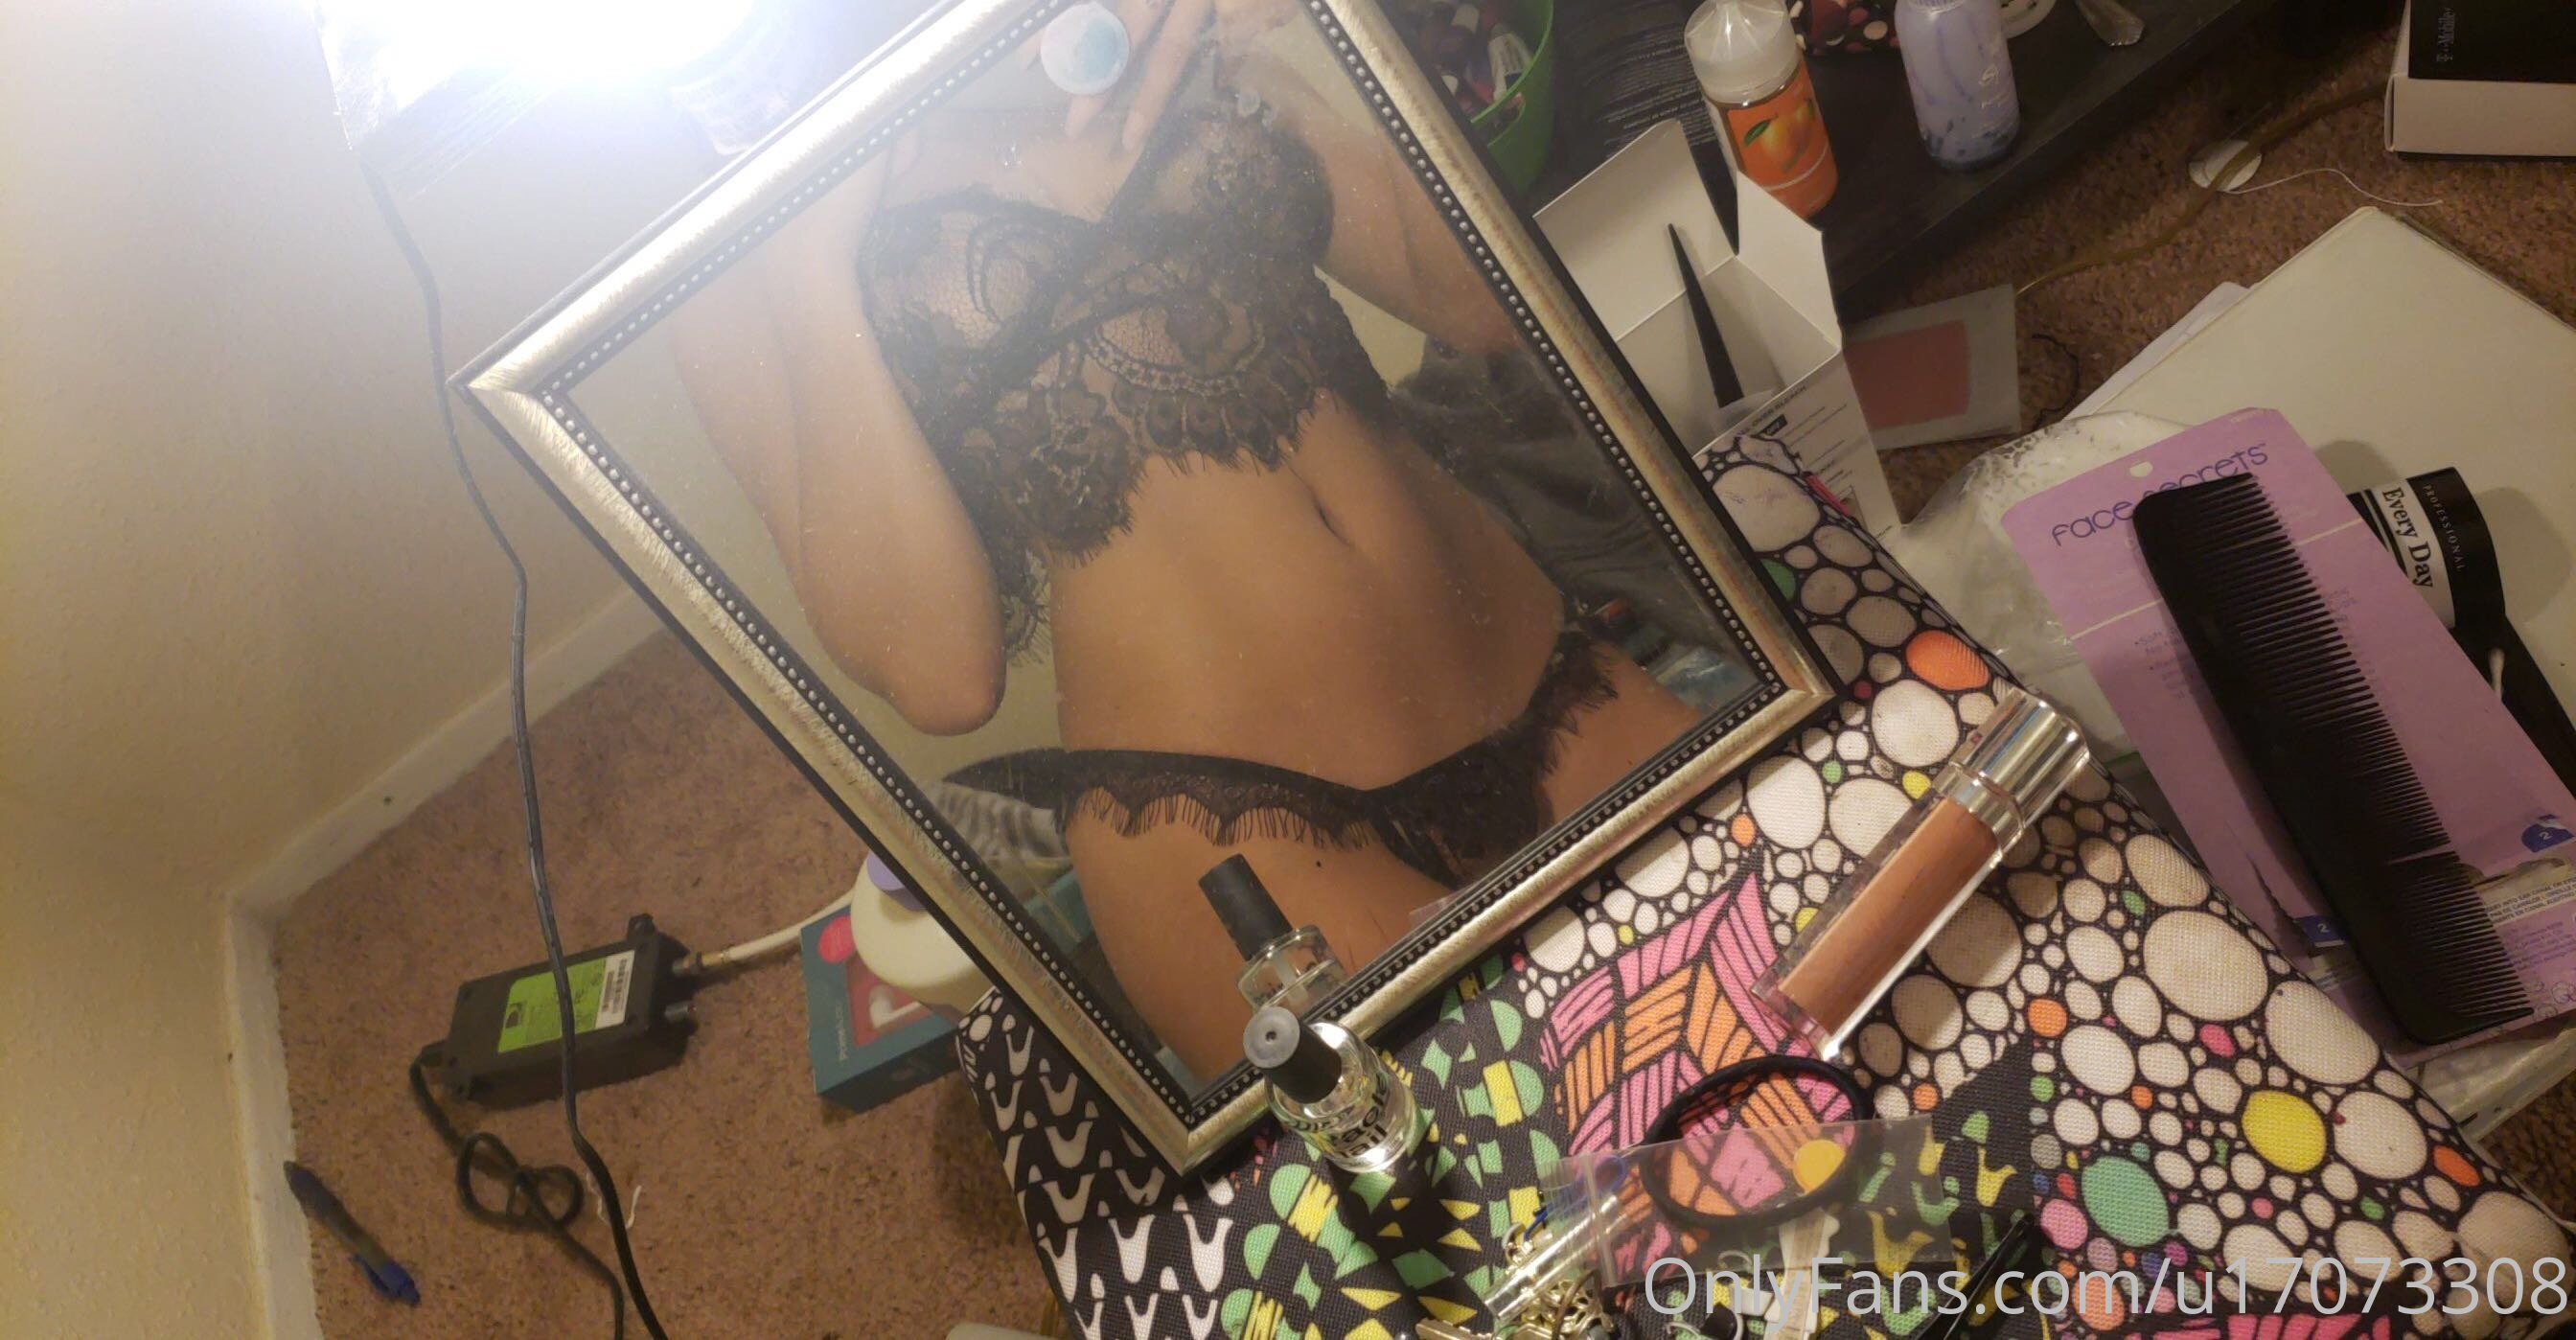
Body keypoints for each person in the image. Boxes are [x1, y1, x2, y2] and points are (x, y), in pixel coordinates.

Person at [672, 0, 1704, 1074]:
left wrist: (1310, 25)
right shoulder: (727, 250)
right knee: (1523, 1153)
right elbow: (939, 674)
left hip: (1545, 682)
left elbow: (1480, 302)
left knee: (1796, 1008)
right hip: (1231, 829)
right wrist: (808, 252)